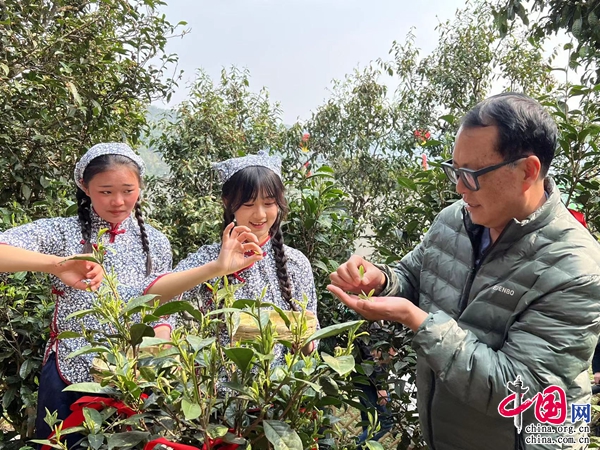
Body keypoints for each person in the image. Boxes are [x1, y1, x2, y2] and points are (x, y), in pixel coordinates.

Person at [328, 93, 600, 449]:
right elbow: (414, 274)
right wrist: (381, 280)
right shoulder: (455, 220)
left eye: (471, 175)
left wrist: (418, 321)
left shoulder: (575, 268)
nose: (458, 188)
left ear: (527, 171)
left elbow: (521, 389)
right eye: (455, 171)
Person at [0, 143, 174, 445]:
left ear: (141, 187)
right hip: (69, 373)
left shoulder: (156, 243)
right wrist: (56, 264)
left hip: (133, 375)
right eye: (106, 191)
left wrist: (161, 339)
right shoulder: (63, 232)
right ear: (85, 186)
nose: (118, 201)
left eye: (128, 190)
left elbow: (162, 305)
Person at [145, 151, 319, 361]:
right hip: (217, 389)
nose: (260, 214)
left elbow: (310, 350)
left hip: (277, 390)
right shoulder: (210, 257)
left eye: (269, 203)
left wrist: (303, 338)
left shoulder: (296, 263)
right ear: (227, 203)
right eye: (248, 204)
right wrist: (218, 267)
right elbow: (150, 299)